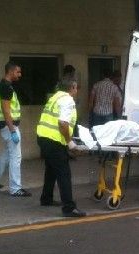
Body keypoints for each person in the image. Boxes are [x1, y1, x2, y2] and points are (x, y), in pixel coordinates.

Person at [36, 78, 86, 217]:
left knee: (51, 169)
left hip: (43, 137)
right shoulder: (68, 100)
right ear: (72, 88)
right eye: (76, 88)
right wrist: (70, 143)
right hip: (54, 141)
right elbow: (63, 124)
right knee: (64, 173)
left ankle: (46, 198)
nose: (77, 91)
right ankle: (69, 208)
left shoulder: (54, 97)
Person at [0, 61, 32, 197]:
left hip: (5, 125)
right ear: (10, 72)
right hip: (9, 126)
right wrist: (12, 130)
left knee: (7, 153)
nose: (20, 74)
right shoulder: (6, 87)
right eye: (18, 72)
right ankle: (15, 188)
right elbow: (6, 111)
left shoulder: (3, 85)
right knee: (16, 157)